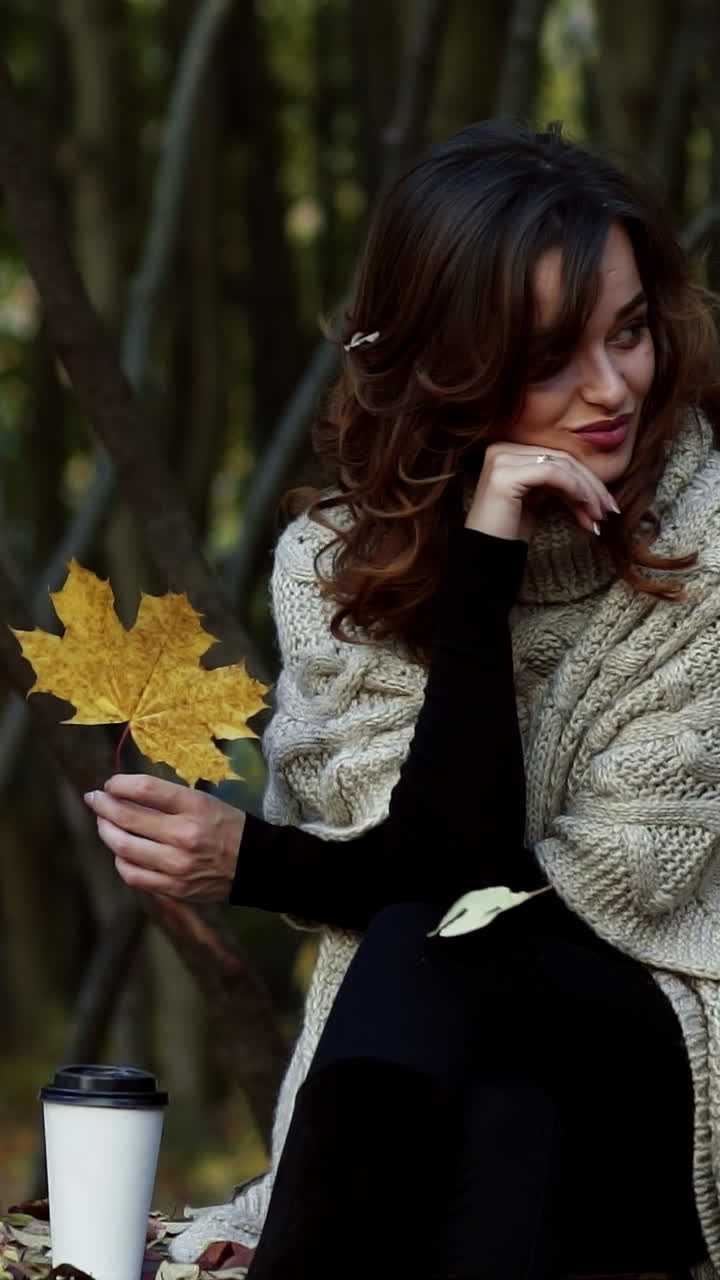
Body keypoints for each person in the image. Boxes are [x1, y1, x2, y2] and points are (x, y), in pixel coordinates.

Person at [83, 119, 720, 1279]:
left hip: (676, 1056)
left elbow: (479, 902)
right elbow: (446, 871)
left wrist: (260, 863)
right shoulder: (334, 565)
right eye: (550, 357)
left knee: (435, 948)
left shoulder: (706, 534)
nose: (610, 387)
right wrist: (486, 549)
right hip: (475, 1061)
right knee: (503, 1123)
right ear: (448, 363)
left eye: (629, 331)